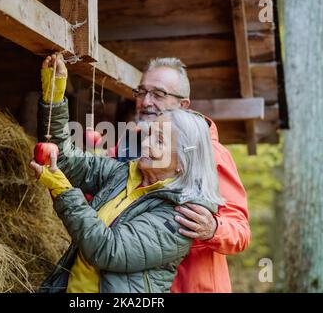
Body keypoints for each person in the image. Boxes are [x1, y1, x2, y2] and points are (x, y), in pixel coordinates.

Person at [29, 54, 223, 293]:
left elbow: (109, 250)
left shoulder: (178, 217)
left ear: (182, 163)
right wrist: (54, 96)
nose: (147, 143)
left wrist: (63, 192)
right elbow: (66, 160)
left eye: (159, 140)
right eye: (150, 134)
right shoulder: (125, 173)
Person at [115, 57, 251, 293]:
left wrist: (213, 229)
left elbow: (240, 231)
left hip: (193, 287)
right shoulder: (126, 145)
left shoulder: (210, 153)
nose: (146, 102)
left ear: (184, 105)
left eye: (158, 94)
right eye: (142, 92)